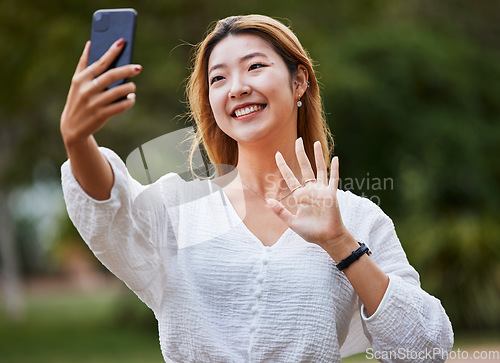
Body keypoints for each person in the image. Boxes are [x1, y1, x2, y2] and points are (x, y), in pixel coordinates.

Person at [60, 14, 453, 362]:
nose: (237, 87)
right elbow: (113, 206)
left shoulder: (356, 219)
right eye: (218, 78)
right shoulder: (180, 206)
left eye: (255, 67)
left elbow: (425, 348)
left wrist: (341, 245)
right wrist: (78, 142)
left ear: (299, 81)